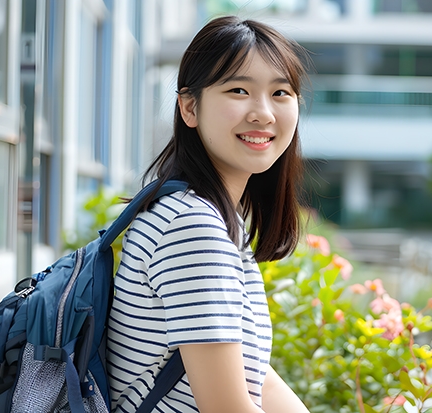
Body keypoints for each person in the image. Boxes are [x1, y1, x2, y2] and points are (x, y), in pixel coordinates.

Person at [106, 15, 311, 413]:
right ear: (189, 107)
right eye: (238, 90)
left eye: (281, 93)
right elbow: (226, 408)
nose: (264, 113)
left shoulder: (208, 215)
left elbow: (253, 376)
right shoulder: (192, 226)